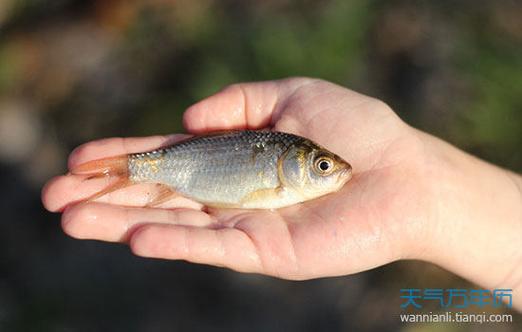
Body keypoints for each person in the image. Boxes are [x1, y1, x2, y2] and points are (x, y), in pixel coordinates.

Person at [42, 78, 522, 310]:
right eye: (321, 165)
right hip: (189, 168)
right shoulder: (274, 172)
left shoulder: (285, 169)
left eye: (324, 164)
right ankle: (120, 171)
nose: (332, 172)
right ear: (289, 164)